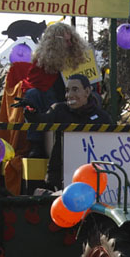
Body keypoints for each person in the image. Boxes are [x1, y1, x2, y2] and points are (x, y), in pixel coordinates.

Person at [29, 74, 113, 190]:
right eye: (67, 91)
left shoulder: (102, 117)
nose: (70, 95)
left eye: (75, 90)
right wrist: (31, 112)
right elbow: (42, 121)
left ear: (87, 92)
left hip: (93, 178)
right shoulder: (58, 110)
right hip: (60, 176)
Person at [18, 23, 89, 158]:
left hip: (76, 100)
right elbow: (35, 82)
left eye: (70, 40)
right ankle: (36, 144)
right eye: (65, 41)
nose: (69, 44)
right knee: (32, 94)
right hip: (51, 103)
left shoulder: (80, 58)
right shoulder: (42, 60)